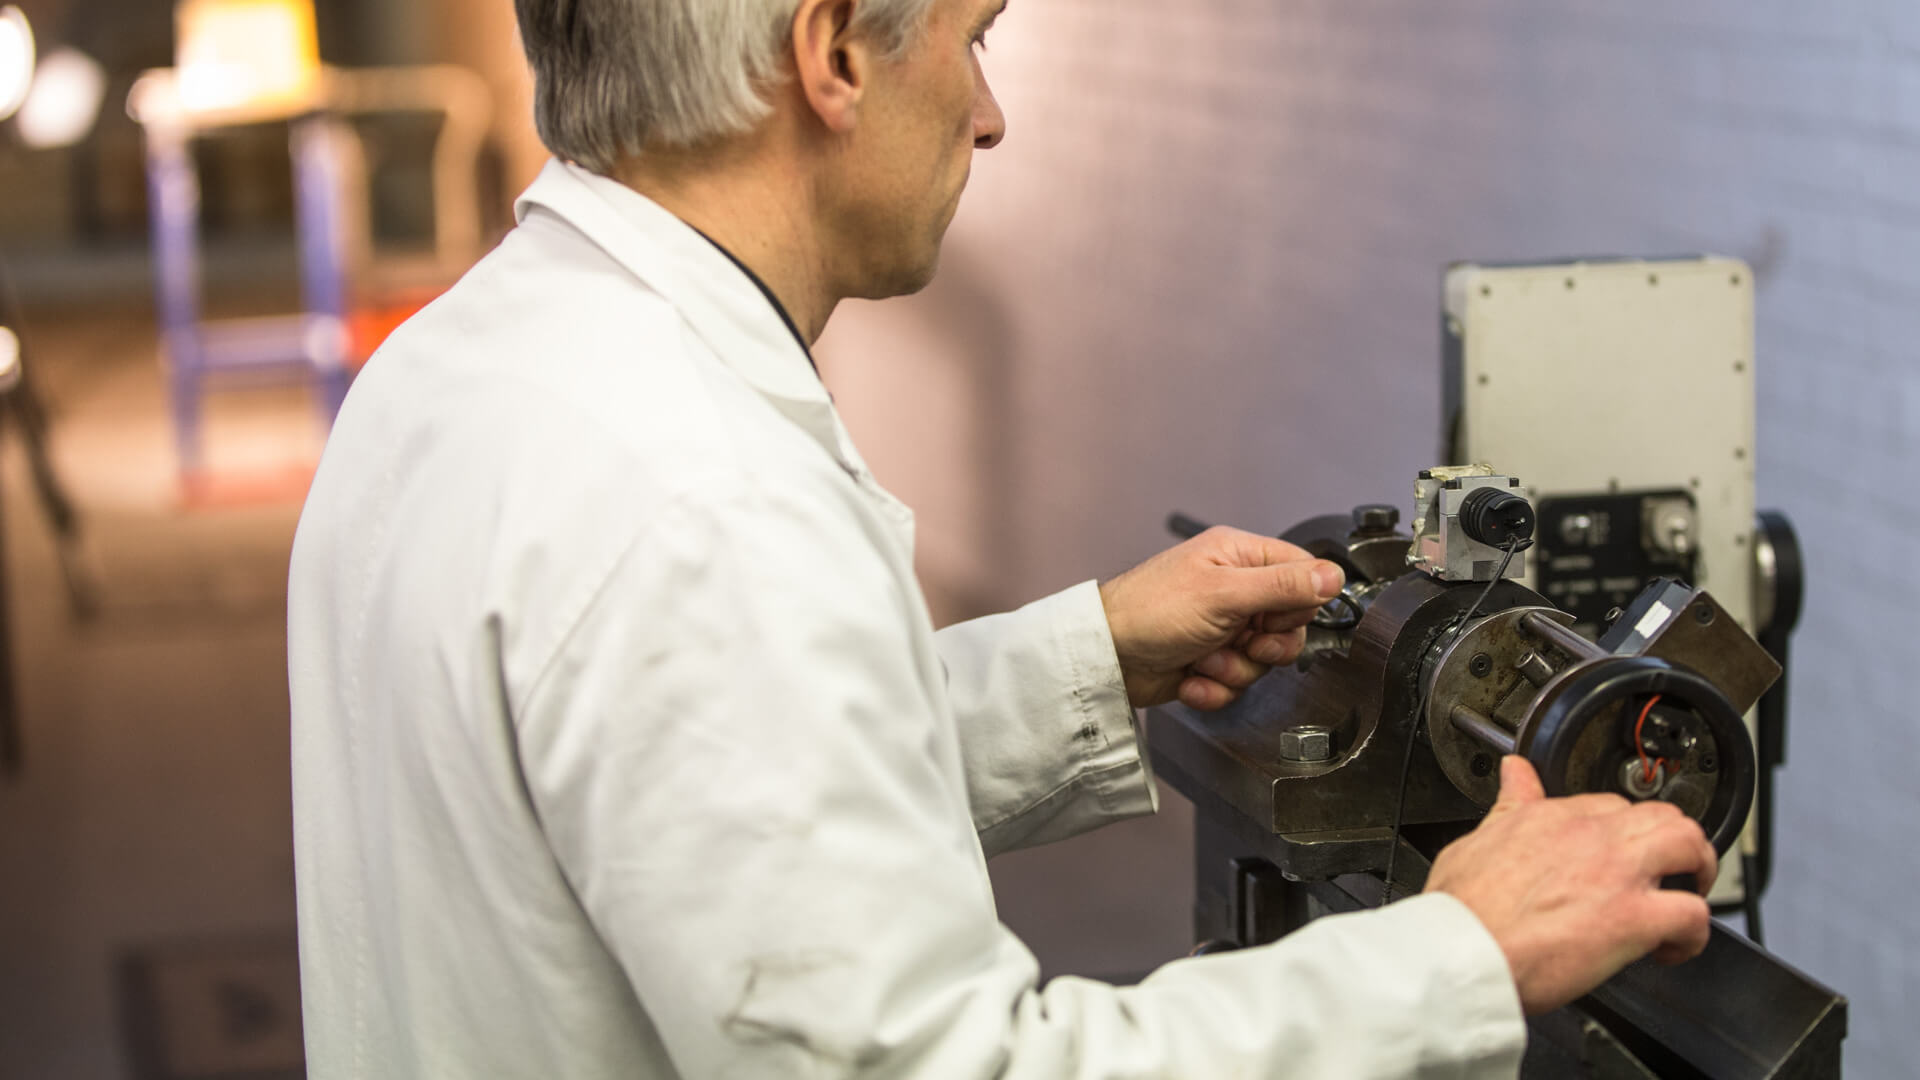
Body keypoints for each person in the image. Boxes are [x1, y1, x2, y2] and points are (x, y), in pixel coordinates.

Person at [287, 0, 1721, 1075]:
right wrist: (1462, 955)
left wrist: (1089, 658)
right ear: (833, 52)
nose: (988, 114)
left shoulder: (459, 364)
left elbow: (696, 786)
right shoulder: (707, 502)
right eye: (973, 39)